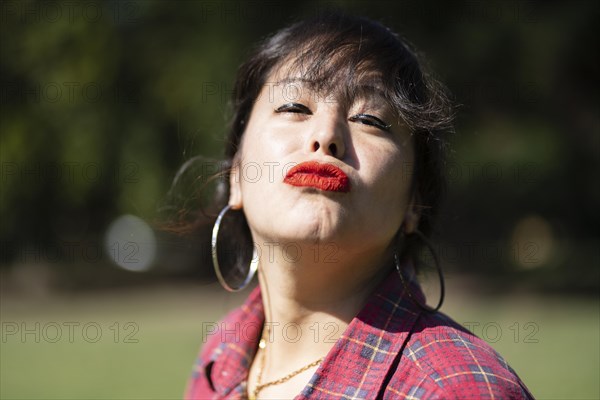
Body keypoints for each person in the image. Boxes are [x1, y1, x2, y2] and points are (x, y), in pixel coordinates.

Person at [182, 11, 534, 400]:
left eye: (370, 119)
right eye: (294, 108)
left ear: (415, 202)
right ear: (236, 175)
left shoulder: (456, 389)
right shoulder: (221, 358)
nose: (326, 135)